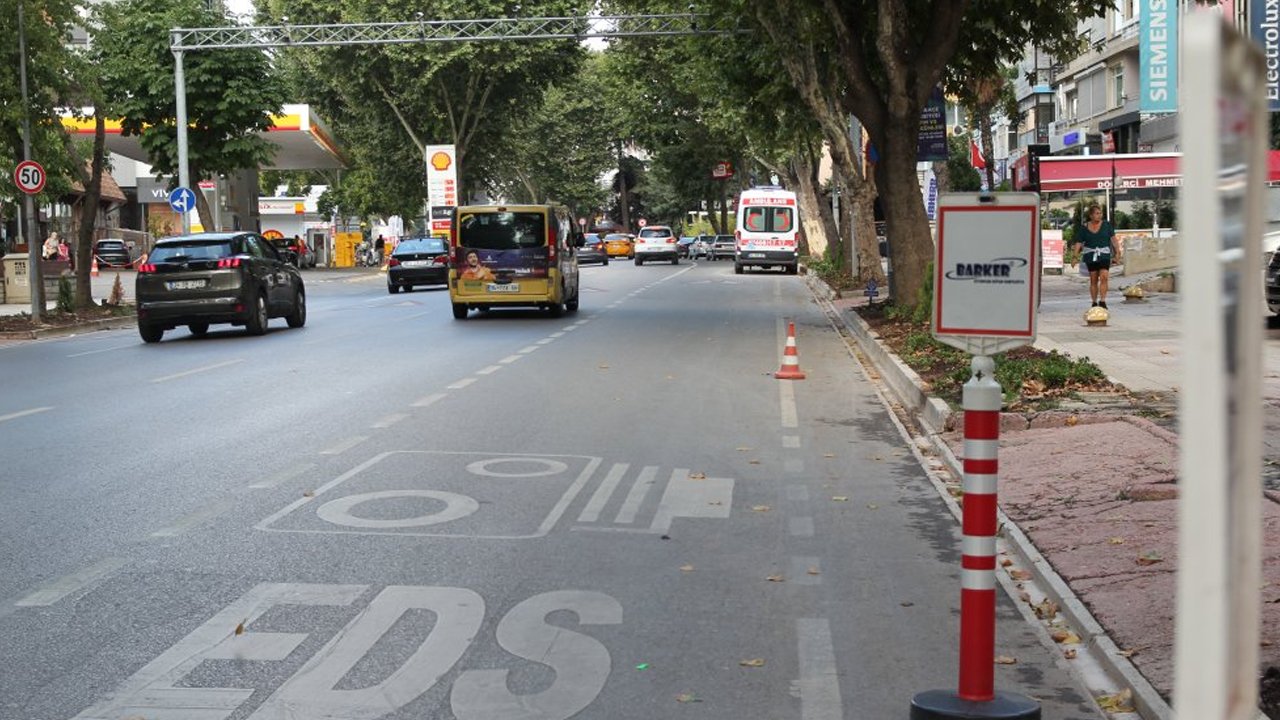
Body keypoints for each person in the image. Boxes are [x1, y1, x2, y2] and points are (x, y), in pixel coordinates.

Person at [1073, 203, 1120, 309]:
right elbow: (1079, 242)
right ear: (1091, 215)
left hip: (1104, 255)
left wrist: (1117, 253)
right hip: (1090, 256)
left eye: (1100, 213)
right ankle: (1094, 302)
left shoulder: (1107, 226)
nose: (1099, 215)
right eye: (1097, 213)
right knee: (1093, 279)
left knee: (1104, 277)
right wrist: (1075, 256)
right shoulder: (1084, 227)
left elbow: (1114, 240)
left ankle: (1103, 301)